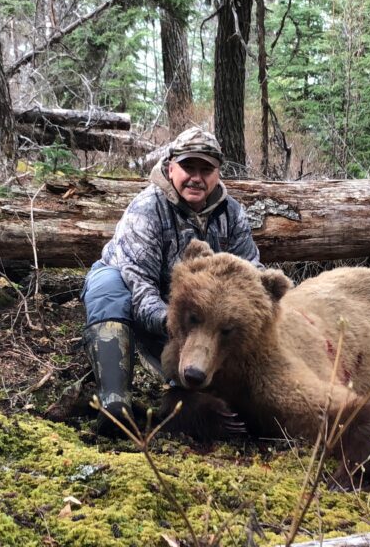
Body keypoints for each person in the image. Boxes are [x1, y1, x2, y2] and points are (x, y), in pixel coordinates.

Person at [80, 126, 263, 433]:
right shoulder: (148, 208)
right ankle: (115, 401)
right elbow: (137, 284)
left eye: (207, 169)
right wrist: (180, 323)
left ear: (218, 173)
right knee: (108, 287)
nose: (197, 177)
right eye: (188, 167)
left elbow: (250, 274)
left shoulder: (231, 214)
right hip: (148, 305)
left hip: (193, 319)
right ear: (170, 166)